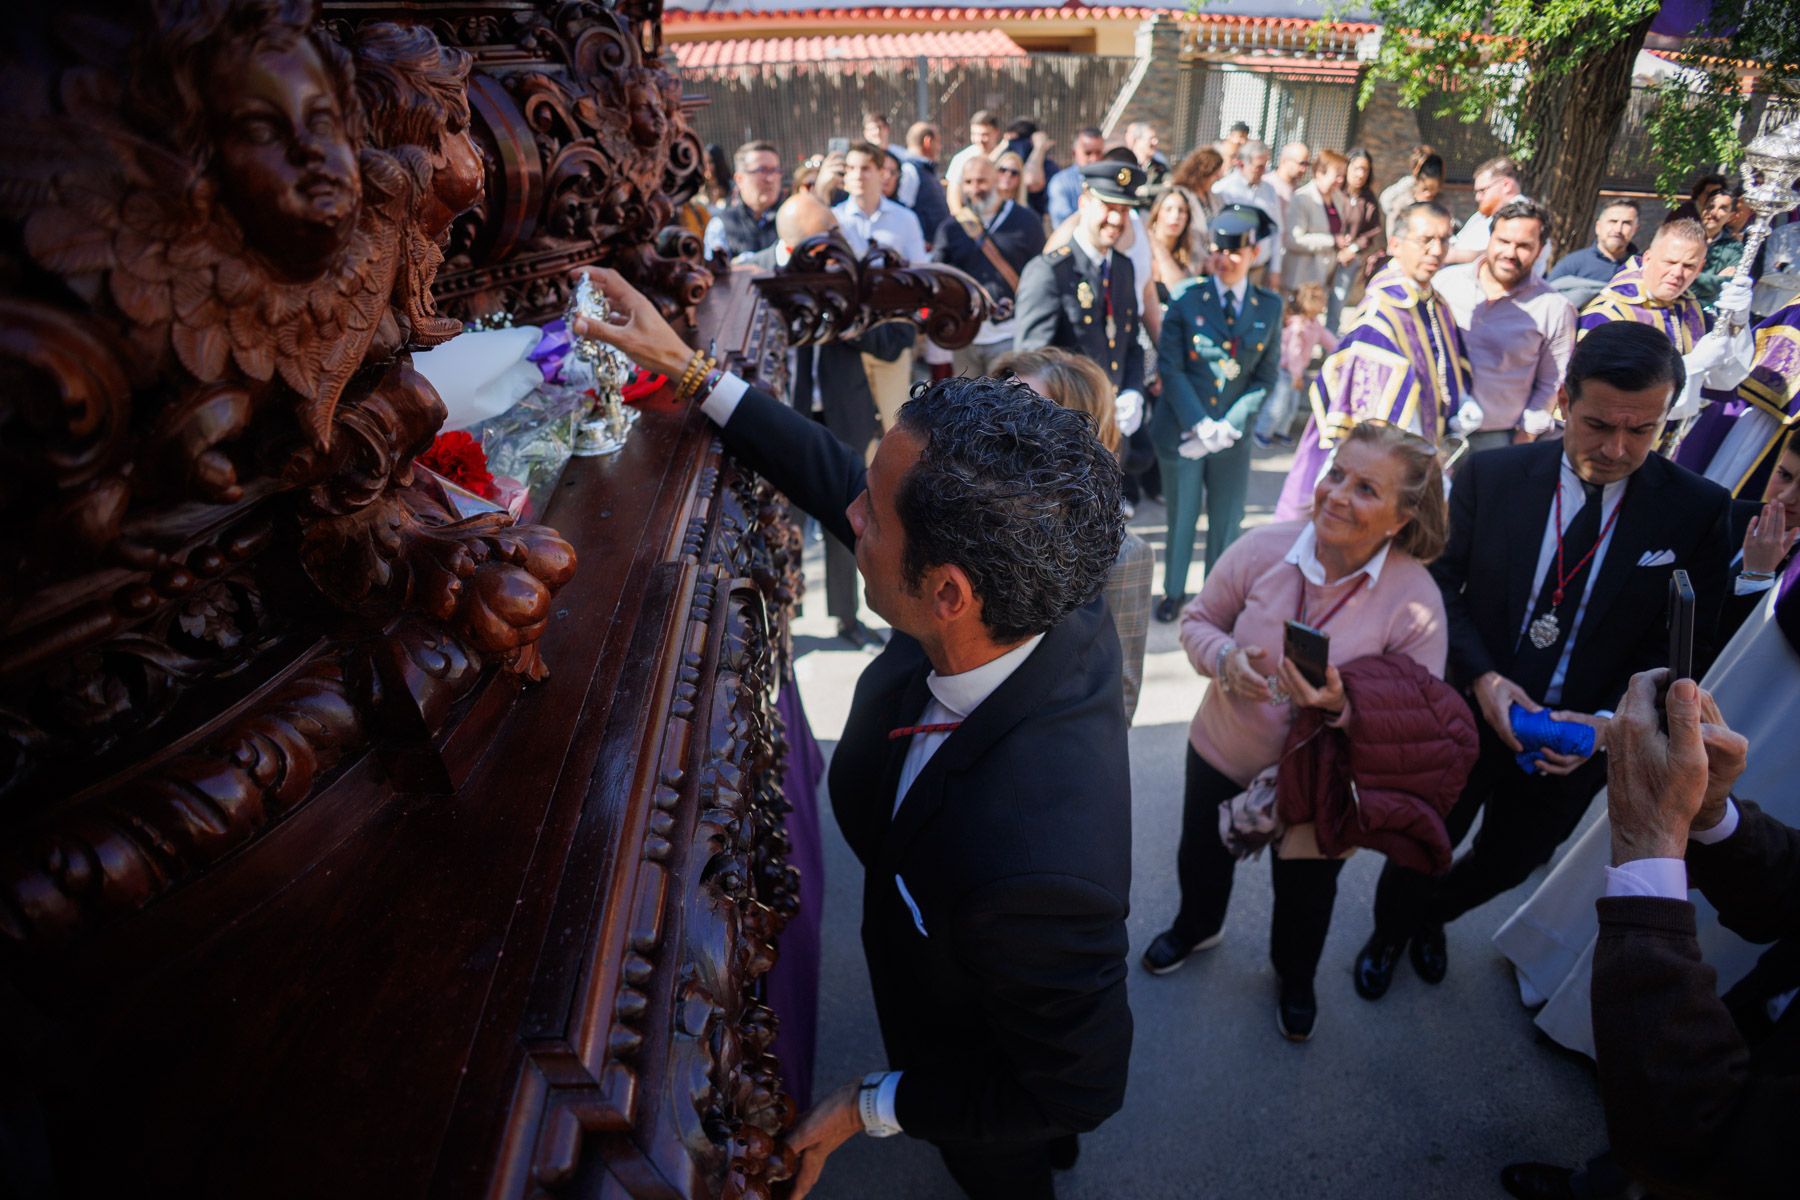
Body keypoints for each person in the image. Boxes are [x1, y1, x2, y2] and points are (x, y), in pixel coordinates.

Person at [569, 267, 1132, 1200]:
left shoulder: (1037, 872)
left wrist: (872, 1103)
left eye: (870, 518)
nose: (845, 518)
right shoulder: (1033, 577)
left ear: (948, 595)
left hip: (973, 1052)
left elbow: (1079, 1081)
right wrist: (690, 368)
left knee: (1009, 1152)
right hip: (956, 964)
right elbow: (843, 480)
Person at [1351, 321, 1734, 1003]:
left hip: (1579, 741)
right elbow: (1434, 584)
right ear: (1563, 399)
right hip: (1464, 712)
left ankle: (1430, 917)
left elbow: (1685, 644)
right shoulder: (1490, 475)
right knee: (1419, 841)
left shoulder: (1696, 511)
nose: (1618, 449)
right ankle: (1388, 932)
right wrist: (1484, 679)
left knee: (1510, 861)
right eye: (1598, 426)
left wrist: (1604, 726)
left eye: (1642, 431)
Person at [1142, 421, 1459, 1042]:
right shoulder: (1264, 548)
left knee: (1307, 894)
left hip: (1324, 782)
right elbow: (1199, 621)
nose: (1337, 494)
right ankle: (1196, 925)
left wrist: (1347, 705)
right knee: (1201, 853)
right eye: (1335, 473)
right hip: (1223, 747)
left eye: (1366, 487)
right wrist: (1225, 660)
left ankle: (1294, 978)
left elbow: (1419, 714)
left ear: (1401, 518)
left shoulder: (1415, 598)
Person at [745, 194, 913, 649]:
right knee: (780, 516)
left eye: (835, 233)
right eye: (824, 237)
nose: (835, 244)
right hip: (781, 414)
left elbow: (897, 339)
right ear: (793, 242)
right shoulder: (752, 273)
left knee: (852, 511)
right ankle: (784, 614)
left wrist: (849, 312)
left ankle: (848, 616)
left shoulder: (848, 271)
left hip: (843, 410)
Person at [1274, 201, 1473, 521]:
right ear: (1395, 244)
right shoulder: (1381, 310)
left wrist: (1459, 400)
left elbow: (1447, 360)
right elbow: (1372, 410)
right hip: (1388, 456)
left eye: (1445, 240)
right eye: (1426, 240)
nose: (1437, 250)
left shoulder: (1433, 301)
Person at [998, 346, 1154, 723]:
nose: (1000, 427)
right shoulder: (953, 510)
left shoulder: (1123, 557)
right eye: (998, 405)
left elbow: (1119, 697)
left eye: (1028, 416)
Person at [1150, 204, 1283, 621]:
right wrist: (1200, 424)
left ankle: (1215, 598)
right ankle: (1173, 591)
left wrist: (1229, 425)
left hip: (1231, 435)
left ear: (1254, 255)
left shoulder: (1269, 306)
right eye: (1218, 251)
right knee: (1183, 514)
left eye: (1235, 253)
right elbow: (1170, 366)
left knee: (1227, 520)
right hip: (1184, 429)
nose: (1225, 260)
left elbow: (1264, 377)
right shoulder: (1188, 299)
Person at [1014, 161, 1150, 442]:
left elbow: (1131, 344)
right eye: (1108, 207)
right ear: (1084, 202)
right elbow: (1030, 366)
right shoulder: (1049, 271)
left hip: (1111, 430)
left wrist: (1133, 390)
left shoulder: (1123, 268)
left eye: (1124, 210)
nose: (1116, 219)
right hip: (1064, 435)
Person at [1434, 199, 1578, 454]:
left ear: (1540, 249)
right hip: (1434, 427)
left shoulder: (1554, 309)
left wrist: (1523, 441)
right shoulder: (1445, 284)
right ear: (1489, 239)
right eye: (1503, 241)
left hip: (1495, 441)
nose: (1510, 253)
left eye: (1523, 246)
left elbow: (1552, 382)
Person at [834, 142, 927, 432]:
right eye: (851, 168)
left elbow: (919, 274)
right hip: (848, 340)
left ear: (881, 173)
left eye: (865, 168)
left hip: (891, 334)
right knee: (854, 430)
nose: (858, 175)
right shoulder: (832, 219)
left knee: (896, 424)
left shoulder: (905, 219)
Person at [932, 154, 1045, 377]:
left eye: (982, 181)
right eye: (968, 182)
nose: (975, 188)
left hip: (1010, 333)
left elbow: (1039, 274)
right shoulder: (951, 228)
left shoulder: (1027, 222)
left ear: (996, 180)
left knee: (1005, 405)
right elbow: (939, 274)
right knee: (965, 405)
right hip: (966, 334)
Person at [1579, 218, 1709, 352]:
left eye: (1688, 266)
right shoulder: (1608, 313)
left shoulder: (1691, 306)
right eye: (1670, 262)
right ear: (1647, 259)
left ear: (1699, 268)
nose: (1677, 273)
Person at [1253, 281, 1338, 450]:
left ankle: (1280, 431)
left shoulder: (1314, 324)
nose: (1324, 304)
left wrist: (1343, 349)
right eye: (1321, 301)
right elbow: (1293, 354)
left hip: (1297, 372)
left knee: (1291, 405)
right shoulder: (1297, 326)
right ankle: (1262, 431)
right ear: (1310, 302)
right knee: (1277, 404)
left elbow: (1328, 340)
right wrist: (1296, 375)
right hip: (1285, 371)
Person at [1444, 156, 1549, 274]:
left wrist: (1454, 255)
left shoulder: (1526, 216)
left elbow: (1501, 255)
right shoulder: (1484, 213)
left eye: (1483, 190)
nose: (1477, 197)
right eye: (1476, 192)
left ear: (1506, 185)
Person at [1332, 148, 1386, 330]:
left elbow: (1372, 231)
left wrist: (1352, 249)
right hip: (1325, 253)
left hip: (1349, 259)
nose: (1360, 174)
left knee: (1337, 302)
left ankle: (1328, 346)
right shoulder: (1334, 192)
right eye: (1356, 168)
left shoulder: (1368, 199)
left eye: (1365, 169)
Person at [1547, 198, 1641, 302]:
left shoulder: (1642, 267)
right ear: (1598, 227)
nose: (1618, 229)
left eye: (1626, 223)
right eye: (1613, 221)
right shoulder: (1573, 264)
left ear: (1635, 229)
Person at [702, 139, 781, 261]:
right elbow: (715, 274)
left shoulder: (794, 217)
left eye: (775, 170)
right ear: (739, 179)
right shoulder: (721, 225)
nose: (770, 179)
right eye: (762, 170)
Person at [1212, 140, 1280, 281]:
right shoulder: (1223, 190)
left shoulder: (1270, 191)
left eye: (1265, 166)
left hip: (1258, 270)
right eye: (1258, 167)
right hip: (1229, 269)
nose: (1263, 172)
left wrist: (1275, 269)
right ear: (1241, 164)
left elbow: (1277, 230)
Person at [1282, 148, 1345, 297]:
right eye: (1337, 175)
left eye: (1343, 176)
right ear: (1319, 173)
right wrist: (1332, 241)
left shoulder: (1338, 198)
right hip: (1300, 278)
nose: (1341, 180)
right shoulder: (1302, 198)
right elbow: (1293, 240)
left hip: (1323, 276)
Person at [895, 121, 950, 252]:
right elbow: (902, 209)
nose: (940, 147)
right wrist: (918, 240)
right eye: (938, 142)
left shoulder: (923, 169)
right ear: (928, 141)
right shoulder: (910, 170)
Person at [1263, 141, 1311, 289]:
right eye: (1300, 163)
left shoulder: (1300, 191)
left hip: (1288, 262)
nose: (1303, 169)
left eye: (1306, 164)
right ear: (1284, 160)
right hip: (1266, 259)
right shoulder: (1267, 186)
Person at [1691, 185, 1746, 313]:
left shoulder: (1734, 248)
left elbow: (1731, 285)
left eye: (1722, 208)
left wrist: (1691, 278)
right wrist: (1717, 280)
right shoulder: (1682, 237)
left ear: (1731, 216)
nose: (1713, 213)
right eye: (1710, 206)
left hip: (1707, 314)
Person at [1144, 185, 1204, 295]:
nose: (1175, 216)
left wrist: (1159, 250)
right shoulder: (1142, 244)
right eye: (1168, 209)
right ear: (1157, 213)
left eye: (1181, 211)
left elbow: (1181, 291)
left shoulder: (1191, 254)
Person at [1046, 126, 1105, 228]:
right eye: (1088, 153)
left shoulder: (1108, 179)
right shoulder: (1060, 182)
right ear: (1074, 153)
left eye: (1098, 152)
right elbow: (1062, 224)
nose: (1094, 158)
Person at [945, 108, 1002, 213]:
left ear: (996, 132)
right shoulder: (961, 158)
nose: (979, 139)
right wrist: (962, 220)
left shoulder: (1005, 156)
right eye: (975, 134)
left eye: (985, 135)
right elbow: (953, 192)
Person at [1378, 146, 1440, 238]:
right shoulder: (1403, 196)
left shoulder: (1441, 201)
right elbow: (1385, 200)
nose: (1428, 194)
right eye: (1425, 189)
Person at [1168, 146, 1224, 243]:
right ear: (1204, 172)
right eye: (1215, 174)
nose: (1218, 178)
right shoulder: (1180, 195)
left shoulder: (1215, 198)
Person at [1125, 120, 1167, 187]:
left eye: (1155, 138)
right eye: (1151, 138)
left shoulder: (1160, 168)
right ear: (1137, 140)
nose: (1156, 142)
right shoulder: (1124, 164)